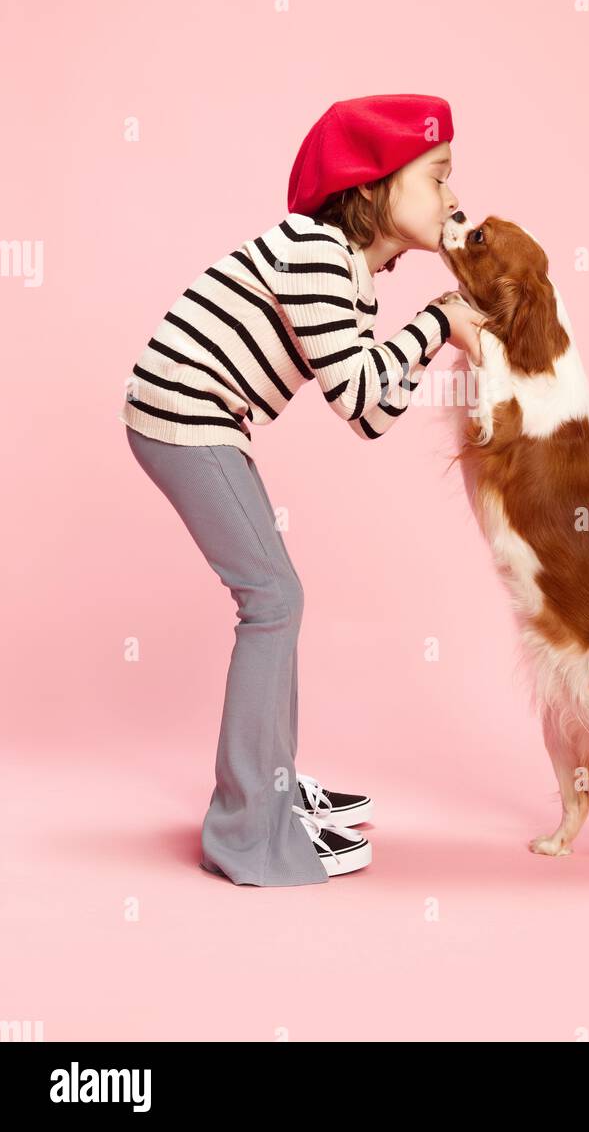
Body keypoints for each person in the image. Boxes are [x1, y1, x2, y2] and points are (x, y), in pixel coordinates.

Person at [119, 93, 485, 887]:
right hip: (181, 413)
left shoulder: (347, 266)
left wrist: (429, 326)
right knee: (274, 601)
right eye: (438, 175)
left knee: (276, 599)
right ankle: (249, 829)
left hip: (205, 416)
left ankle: (271, 788)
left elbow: (372, 404)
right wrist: (438, 324)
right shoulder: (318, 257)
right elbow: (363, 407)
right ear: (374, 184)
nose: (454, 197)